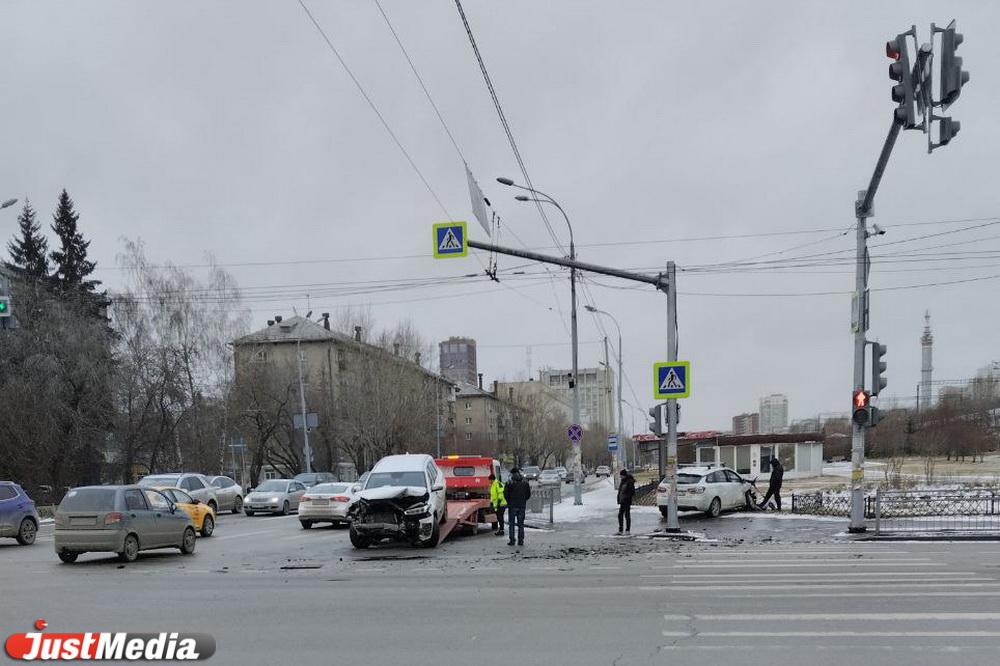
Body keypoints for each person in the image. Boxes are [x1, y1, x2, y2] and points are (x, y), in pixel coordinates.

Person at [503, 467, 531, 546]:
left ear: (512, 473)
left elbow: (505, 494)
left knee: (511, 524)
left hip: (512, 506)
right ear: (518, 472)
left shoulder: (509, 482)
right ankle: (521, 540)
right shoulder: (525, 482)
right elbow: (528, 494)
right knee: (521, 524)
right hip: (522, 506)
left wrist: (509, 501)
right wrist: (523, 500)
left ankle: (512, 540)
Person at [617, 468, 636, 534]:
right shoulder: (623, 481)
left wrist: (626, 497)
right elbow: (620, 491)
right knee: (620, 515)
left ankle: (627, 530)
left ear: (624, 475)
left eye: (621, 475)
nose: (620, 477)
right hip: (622, 501)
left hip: (627, 501)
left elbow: (632, 492)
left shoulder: (629, 482)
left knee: (627, 515)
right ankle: (621, 529)